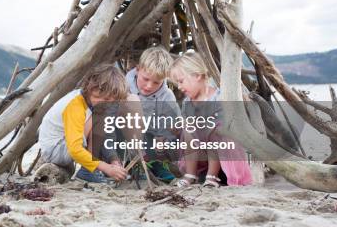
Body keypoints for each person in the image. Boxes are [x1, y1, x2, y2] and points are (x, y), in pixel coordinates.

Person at [170, 51, 253, 188]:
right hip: (202, 153)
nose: (179, 87)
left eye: (181, 81)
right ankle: (191, 174)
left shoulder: (218, 97)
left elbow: (226, 125)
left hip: (224, 150)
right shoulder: (187, 102)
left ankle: (212, 176)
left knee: (213, 131)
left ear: (197, 76)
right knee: (188, 130)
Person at [38, 64, 132, 183]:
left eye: (110, 101)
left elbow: (106, 134)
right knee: (99, 118)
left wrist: (113, 160)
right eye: (102, 98)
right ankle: (87, 171)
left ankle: (93, 169)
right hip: (55, 150)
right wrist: (106, 167)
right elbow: (75, 149)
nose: (105, 103)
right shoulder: (75, 105)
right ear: (91, 87)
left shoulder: (89, 102)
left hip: (64, 146)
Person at [125, 46, 180, 182]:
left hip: (151, 139)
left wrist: (164, 138)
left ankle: (156, 165)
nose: (149, 86)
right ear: (138, 69)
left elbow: (174, 125)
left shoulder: (167, 96)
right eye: (145, 79)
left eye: (156, 82)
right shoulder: (123, 85)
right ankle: (130, 164)